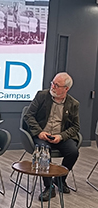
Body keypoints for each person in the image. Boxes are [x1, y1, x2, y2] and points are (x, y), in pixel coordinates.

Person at [24, 72, 80, 201]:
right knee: (44, 151)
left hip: (60, 136)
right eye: (52, 83)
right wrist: (39, 132)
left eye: (56, 85)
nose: (52, 87)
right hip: (42, 134)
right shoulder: (42, 96)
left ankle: (60, 180)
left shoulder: (73, 104)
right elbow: (29, 116)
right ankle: (48, 187)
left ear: (66, 89)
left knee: (73, 152)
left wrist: (61, 136)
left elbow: (75, 127)